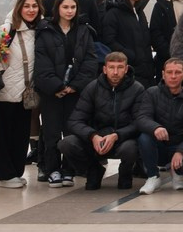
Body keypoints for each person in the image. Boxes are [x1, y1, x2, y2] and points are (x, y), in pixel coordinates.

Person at [34, 0, 100, 187]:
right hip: (51, 92)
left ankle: (68, 169)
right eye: (65, 7)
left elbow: (90, 61)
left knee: (72, 131)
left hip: (75, 92)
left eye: (72, 7)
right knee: (51, 132)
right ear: (57, 9)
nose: (69, 11)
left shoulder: (83, 30)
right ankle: (52, 169)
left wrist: (73, 86)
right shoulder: (45, 30)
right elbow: (42, 63)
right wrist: (57, 86)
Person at [60, 51, 146, 191]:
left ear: (126, 69)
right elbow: (75, 120)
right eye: (111, 67)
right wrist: (92, 136)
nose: (115, 72)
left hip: (122, 139)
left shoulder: (137, 89)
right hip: (96, 139)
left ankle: (125, 173)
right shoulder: (92, 88)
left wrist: (116, 135)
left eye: (119, 67)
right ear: (105, 69)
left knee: (130, 148)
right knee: (66, 144)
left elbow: (139, 122)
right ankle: (93, 170)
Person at [0, 0, 41, 189]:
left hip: (26, 92)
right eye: (27, 6)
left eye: (34, 6)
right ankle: (4, 174)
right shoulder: (5, 31)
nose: (30, 10)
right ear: (19, 8)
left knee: (21, 135)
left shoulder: (39, 31)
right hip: (5, 92)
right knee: (4, 135)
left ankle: (15, 171)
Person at [136, 57, 183, 193]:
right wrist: (155, 127)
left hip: (182, 145)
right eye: (169, 72)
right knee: (144, 137)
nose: (173, 76)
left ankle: (177, 173)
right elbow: (142, 118)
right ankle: (153, 177)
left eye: (177, 72)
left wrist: (181, 151)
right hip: (160, 145)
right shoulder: (152, 93)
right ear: (163, 74)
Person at [101, 0, 156, 86]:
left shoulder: (140, 12)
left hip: (146, 70)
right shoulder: (113, 13)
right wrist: (129, 55)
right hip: (126, 70)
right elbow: (108, 40)